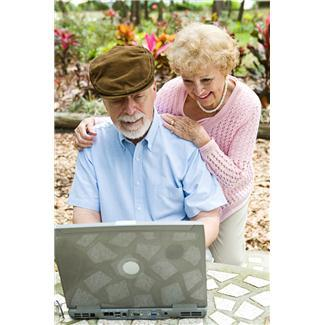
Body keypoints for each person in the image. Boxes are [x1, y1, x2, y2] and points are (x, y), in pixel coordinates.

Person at [73, 23, 262, 265]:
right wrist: (95, 124)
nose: (198, 90)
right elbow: (142, 117)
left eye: (206, 79)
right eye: (188, 80)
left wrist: (202, 139)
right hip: (193, 190)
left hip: (229, 191)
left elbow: (236, 177)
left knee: (230, 264)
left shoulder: (246, 105)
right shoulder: (172, 93)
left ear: (225, 70)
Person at [68, 45, 227, 250]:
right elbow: (85, 214)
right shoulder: (92, 145)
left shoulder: (183, 141)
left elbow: (208, 217)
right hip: (114, 257)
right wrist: (100, 254)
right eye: (117, 101)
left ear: (154, 89)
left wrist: (178, 253)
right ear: (104, 102)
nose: (130, 110)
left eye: (138, 97)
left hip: (176, 256)